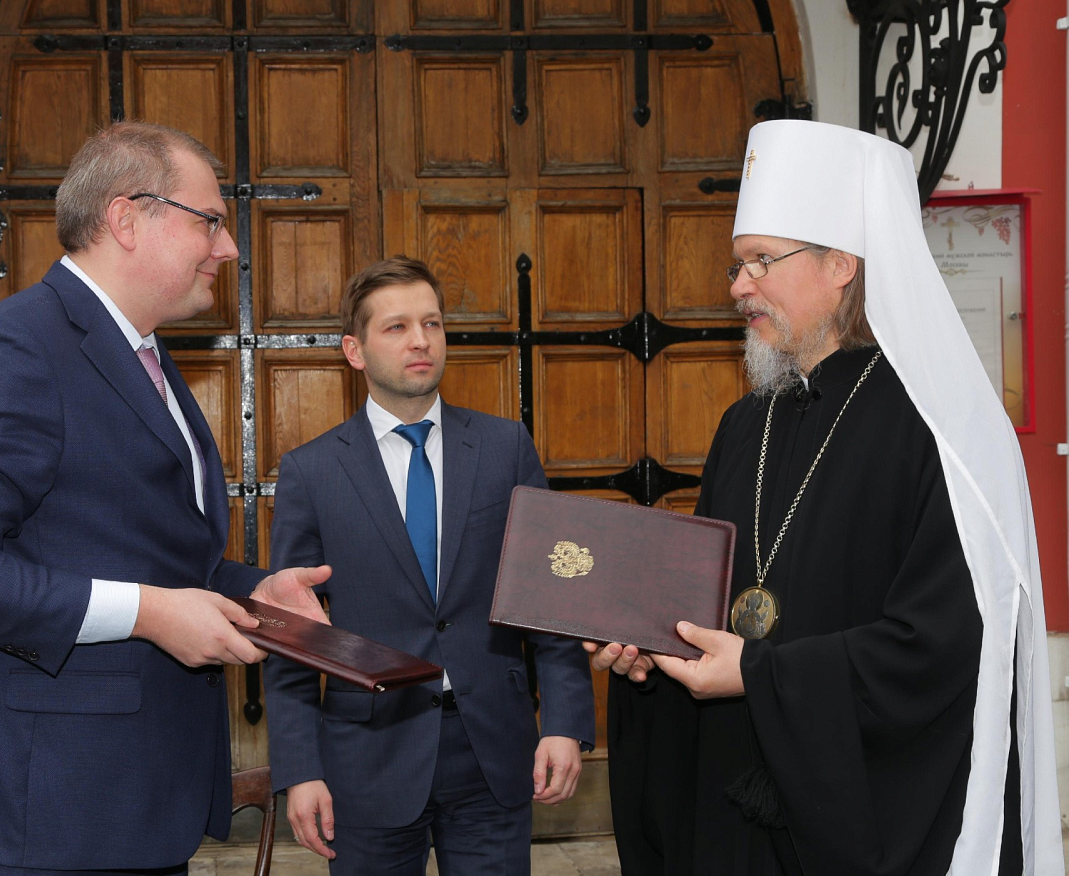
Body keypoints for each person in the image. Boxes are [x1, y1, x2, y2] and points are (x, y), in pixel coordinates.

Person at [588, 120, 1062, 875]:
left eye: (760, 261)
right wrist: (651, 647)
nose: (737, 286)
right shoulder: (745, 423)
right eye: (738, 264)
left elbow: (944, 647)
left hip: (858, 817)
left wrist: (762, 675)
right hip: (735, 798)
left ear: (841, 264)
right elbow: (715, 600)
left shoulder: (942, 431)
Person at [0, 122, 331, 875]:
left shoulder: (142, 352)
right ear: (126, 218)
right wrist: (150, 614)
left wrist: (253, 592)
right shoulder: (15, 348)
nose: (228, 248)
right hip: (40, 815)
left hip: (135, 802)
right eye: (210, 221)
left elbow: (136, 552)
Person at [263, 256, 596, 875]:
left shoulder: (504, 448)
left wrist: (565, 722)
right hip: (366, 760)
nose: (420, 340)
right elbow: (293, 634)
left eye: (432, 323)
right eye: (396, 327)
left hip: (493, 751)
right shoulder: (312, 472)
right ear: (355, 350)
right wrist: (300, 768)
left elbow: (551, 598)